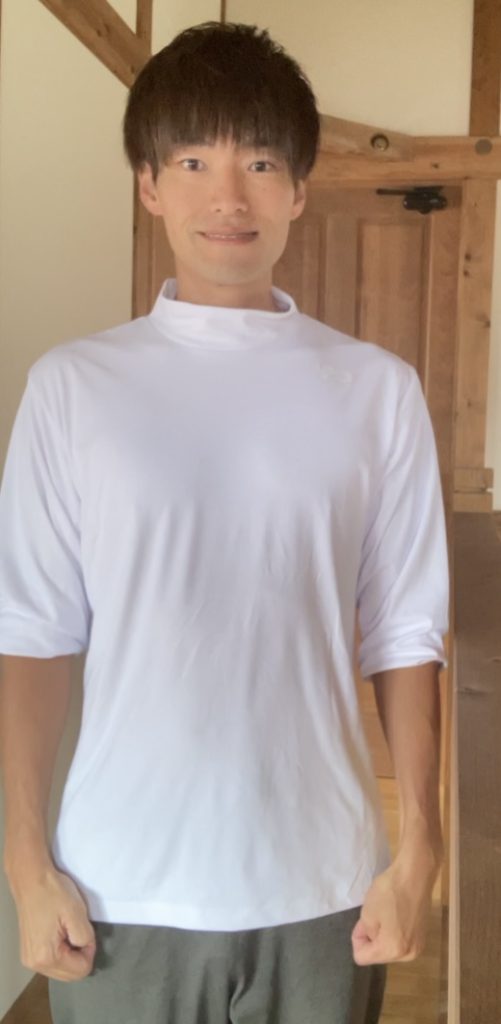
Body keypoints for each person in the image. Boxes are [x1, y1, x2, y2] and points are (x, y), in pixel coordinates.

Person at [0, 21, 448, 1024]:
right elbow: (30, 632)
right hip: (119, 889)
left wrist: (418, 847)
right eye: (193, 161)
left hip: (323, 886)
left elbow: (406, 633)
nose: (229, 197)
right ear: (149, 185)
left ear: (298, 189)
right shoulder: (75, 387)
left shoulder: (376, 390)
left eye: (259, 162)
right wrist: (26, 862)